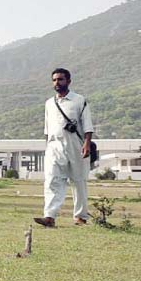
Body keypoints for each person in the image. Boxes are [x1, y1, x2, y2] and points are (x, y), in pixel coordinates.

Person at [34, 68, 94, 228]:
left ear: (68, 81)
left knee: (79, 181)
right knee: (52, 180)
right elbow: (47, 129)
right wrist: (48, 148)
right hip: (54, 147)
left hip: (76, 145)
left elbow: (88, 125)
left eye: (60, 79)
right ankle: (49, 216)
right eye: (54, 80)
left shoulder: (79, 100)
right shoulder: (49, 103)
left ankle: (80, 217)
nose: (57, 83)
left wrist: (87, 143)